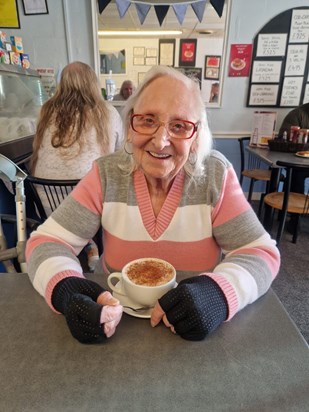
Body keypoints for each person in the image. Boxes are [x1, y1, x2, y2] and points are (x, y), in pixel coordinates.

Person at [26, 65, 280, 344]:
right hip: (117, 330)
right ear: (130, 127)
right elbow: (45, 242)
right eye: (148, 120)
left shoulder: (215, 175)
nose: (160, 141)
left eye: (179, 126)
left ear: (195, 138)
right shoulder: (106, 174)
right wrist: (65, 287)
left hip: (193, 332)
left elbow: (260, 253)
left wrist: (219, 294)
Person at [30, 61, 124, 270]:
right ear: (92, 83)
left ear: (62, 83)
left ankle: (81, 245)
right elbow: (120, 157)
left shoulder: (45, 111)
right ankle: (94, 248)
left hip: (47, 204)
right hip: (91, 207)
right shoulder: (108, 112)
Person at [278, 102, 309, 231]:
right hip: (296, 161)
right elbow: (284, 137)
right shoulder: (297, 114)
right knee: (296, 175)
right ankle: (294, 219)